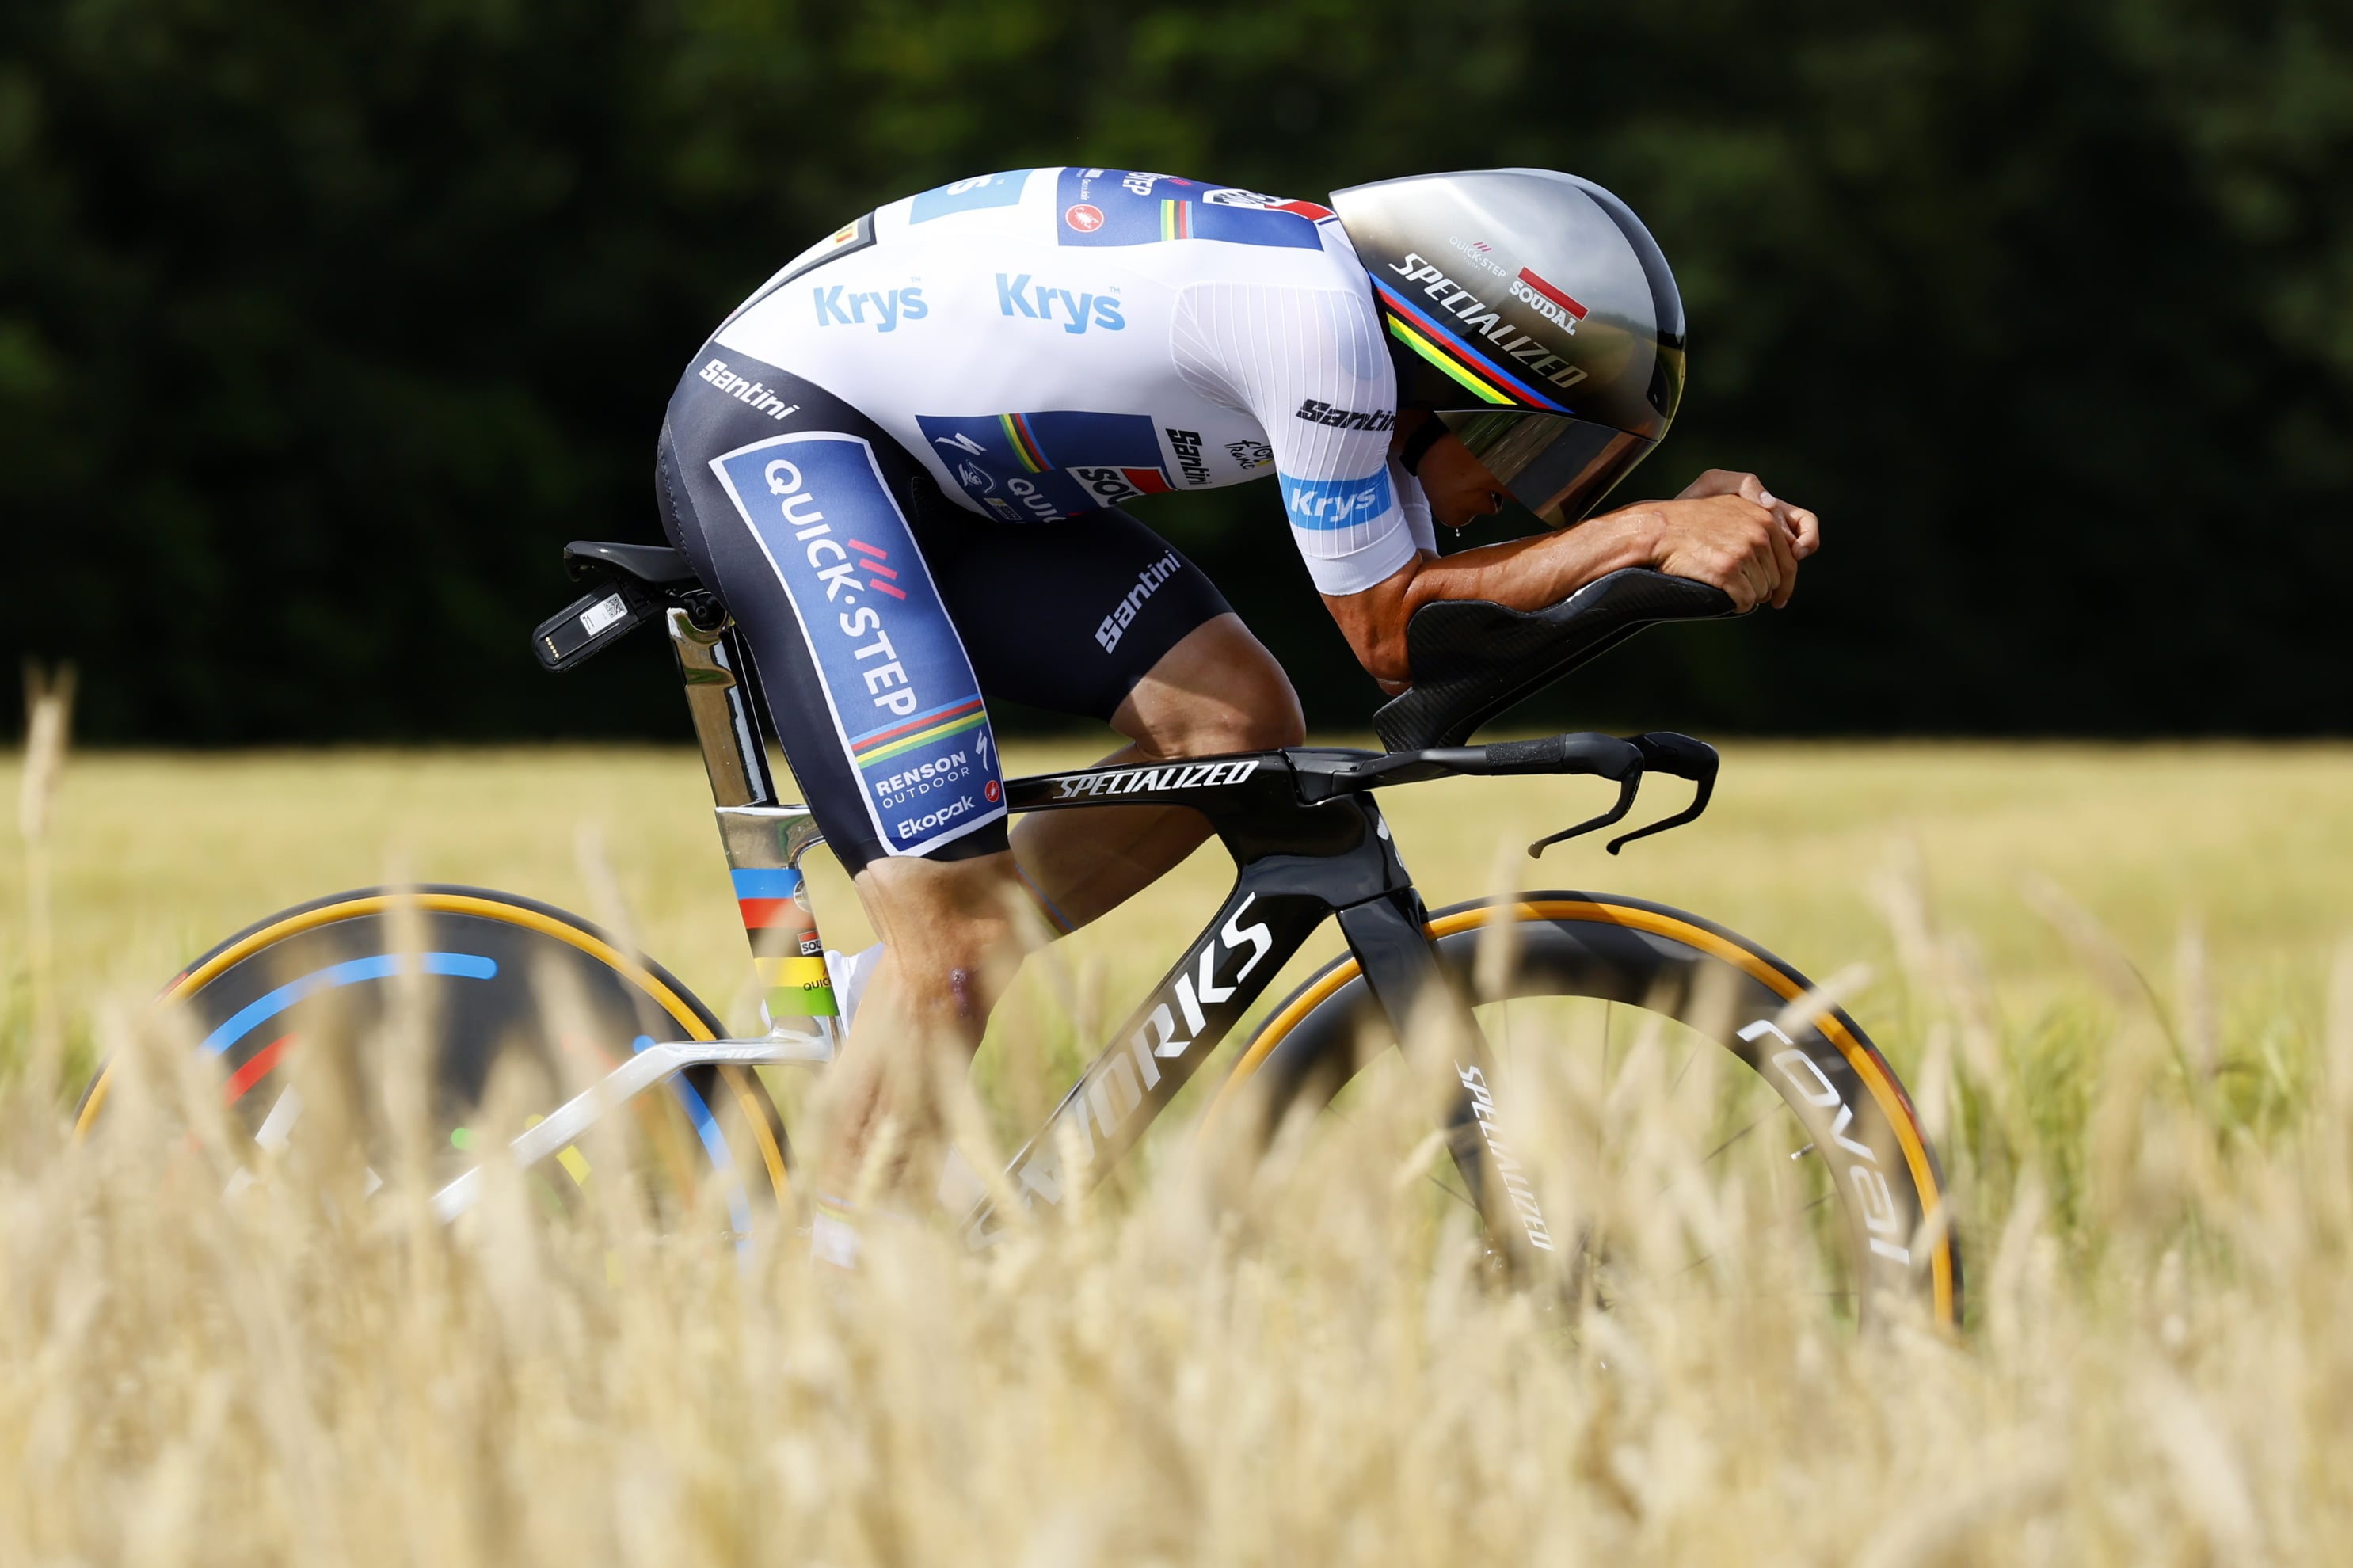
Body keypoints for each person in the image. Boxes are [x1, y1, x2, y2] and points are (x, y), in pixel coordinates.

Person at [655, 166, 1818, 1214]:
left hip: (949, 487)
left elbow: (1460, 637)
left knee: (1235, 725)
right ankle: (819, 1299)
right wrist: (1652, 530)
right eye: (1528, 452)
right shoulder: (1321, 328)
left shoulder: (1347, 327)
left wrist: (1657, 545)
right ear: (1456, 358)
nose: (1519, 499)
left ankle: (891, 1010)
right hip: (792, 431)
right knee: (949, 936)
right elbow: (1392, 640)